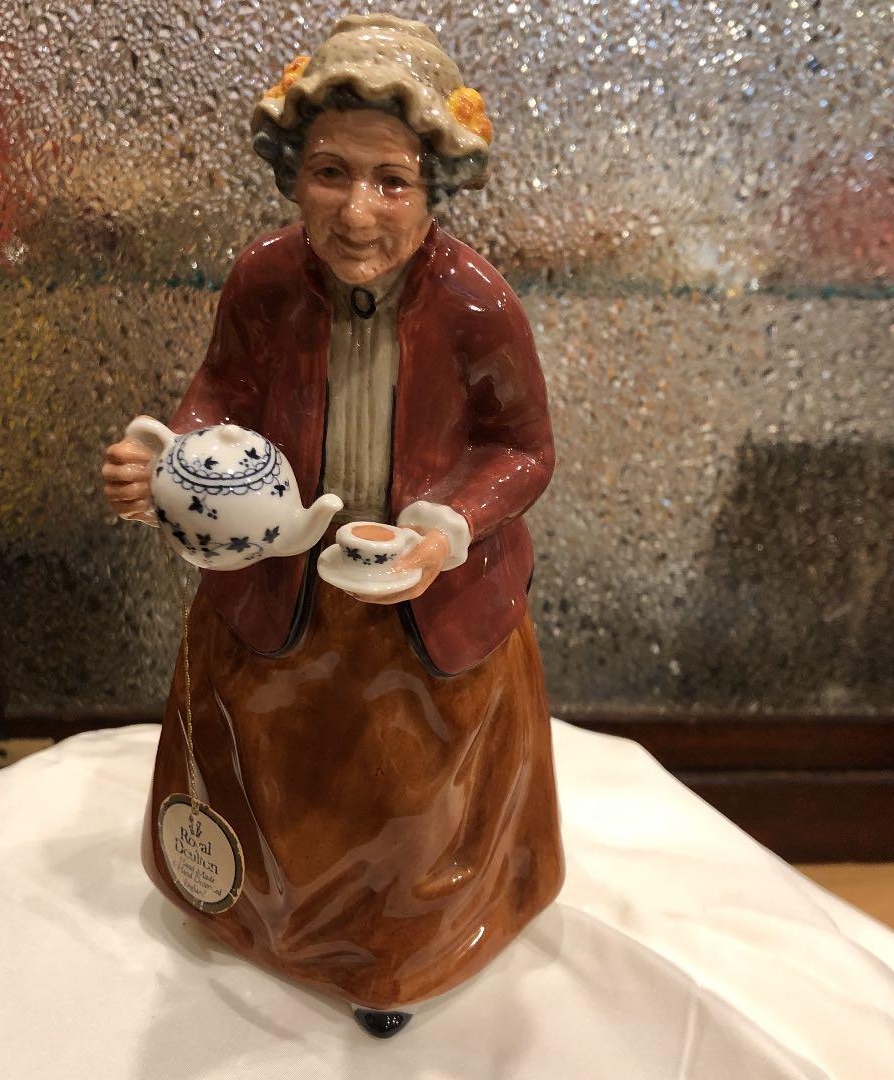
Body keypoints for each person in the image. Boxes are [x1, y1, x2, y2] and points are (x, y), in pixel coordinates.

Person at [102, 14, 564, 1040]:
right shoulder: (265, 279)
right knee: (264, 760)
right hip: (279, 584)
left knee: (408, 798)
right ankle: (248, 920)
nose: (358, 213)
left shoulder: (478, 306)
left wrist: (444, 532)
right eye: (329, 174)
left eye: (392, 182)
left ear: (436, 188)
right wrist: (171, 460)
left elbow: (524, 449)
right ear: (293, 176)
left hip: (422, 606)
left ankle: (396, 957)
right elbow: (219, 393)